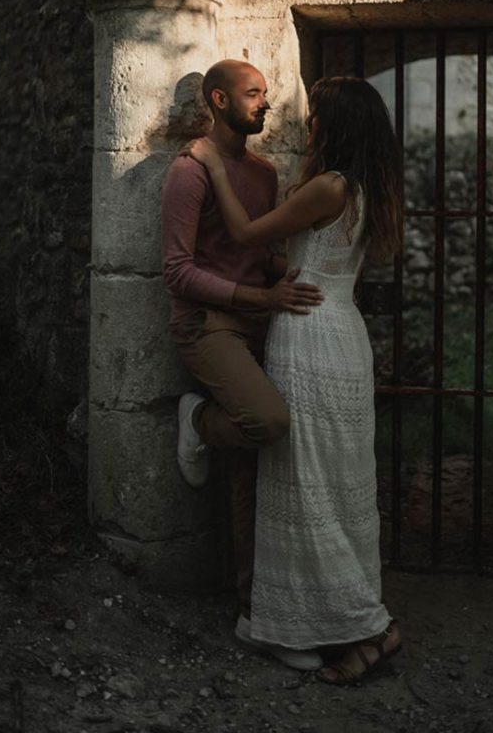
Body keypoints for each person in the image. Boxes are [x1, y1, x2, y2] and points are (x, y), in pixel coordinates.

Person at [188, 75, 404, 685]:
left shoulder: (329, 186)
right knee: (332, 487)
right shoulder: (364, 187)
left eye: (316, 118)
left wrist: (213, 164)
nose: (307, 126)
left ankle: (363, 625)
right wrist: (283, 270)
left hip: (310, 336)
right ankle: (340, 624)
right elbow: (314, 263)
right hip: (341, 331)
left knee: (306, 485)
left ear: (336, 125)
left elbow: (246, 233)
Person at [161, 59, 325, 672]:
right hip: (207, 326)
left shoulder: (263, 172)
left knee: (254, 469)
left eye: (266, 93)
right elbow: (177, 271)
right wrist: (260, 297)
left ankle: (256, 611)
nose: (265, 103)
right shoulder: (189, 170)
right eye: (254, 94)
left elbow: (258, 257)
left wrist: (307, 279)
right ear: (219, 99)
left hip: (259, 323)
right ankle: (198, 417)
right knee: (270, 423)